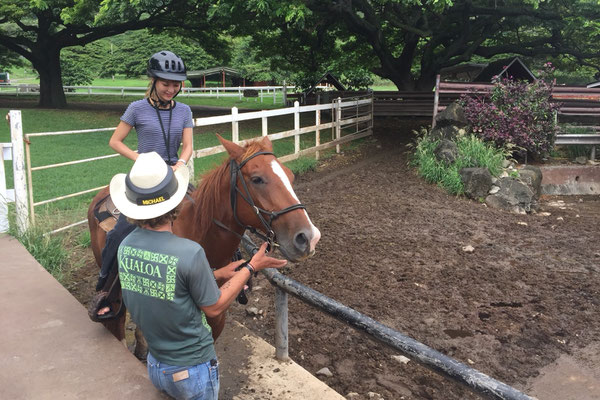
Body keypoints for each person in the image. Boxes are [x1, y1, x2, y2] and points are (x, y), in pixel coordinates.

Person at [109, 152, 287, 399]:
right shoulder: (190, 253)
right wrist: (251, 267)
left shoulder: (125, 246)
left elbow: (168, 281)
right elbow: (214, 307)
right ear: (176, 201)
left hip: (156, 364)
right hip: (192, 371)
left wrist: (215, 274)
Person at [94, 50, 193, 312]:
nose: (171, 89)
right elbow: (115, 141)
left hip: (173, 174)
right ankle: (104, 286)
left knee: (211, 210)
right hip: (145, 176)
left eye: (175, 84)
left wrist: (179, 164)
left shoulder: (184, 110)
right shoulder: (136, 108)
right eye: (165, 83)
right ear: (154, 81)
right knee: (119, 231)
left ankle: (234, 267)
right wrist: (140, 159)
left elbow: (188, 146)